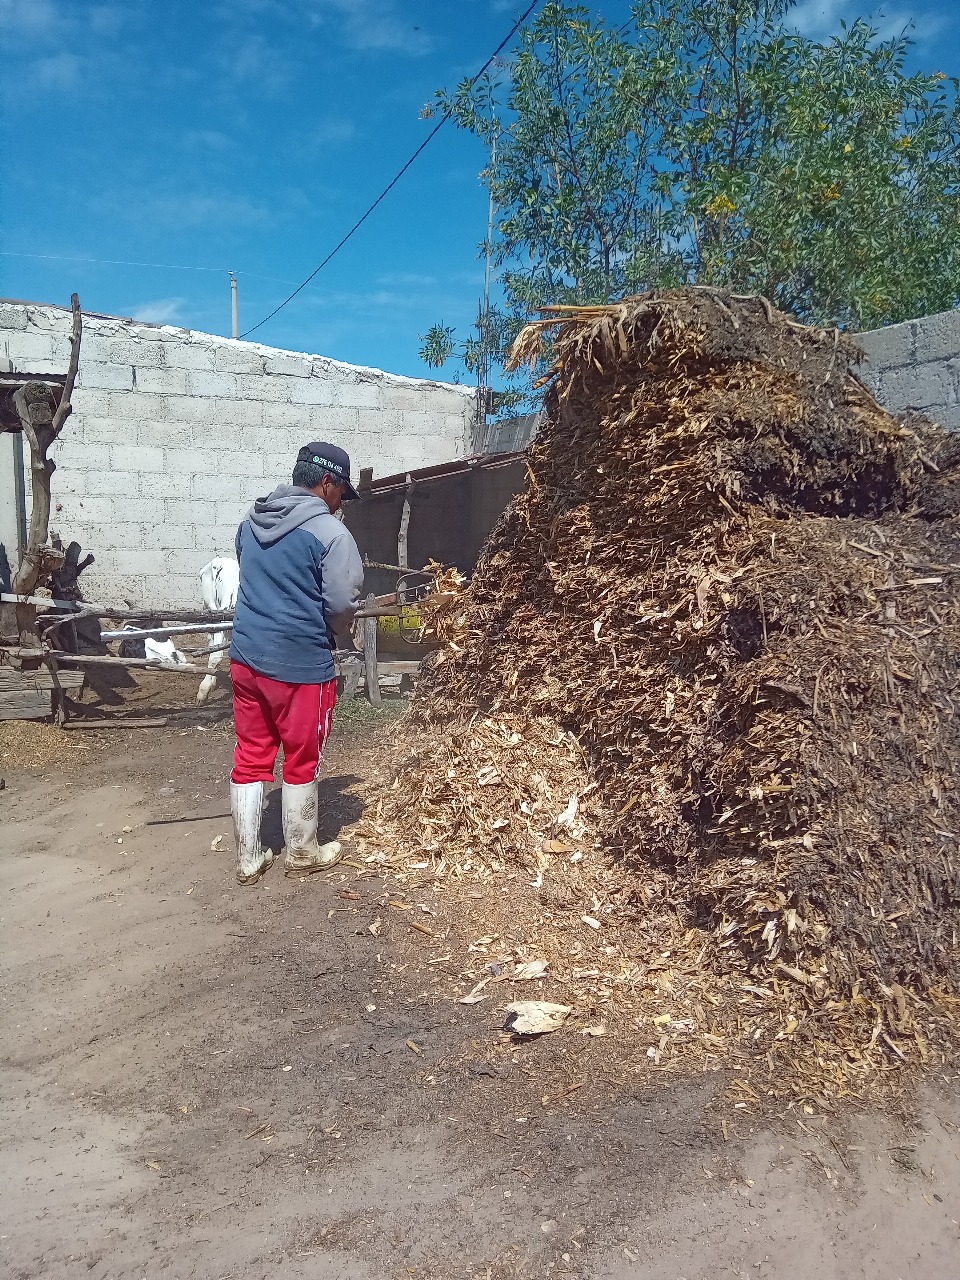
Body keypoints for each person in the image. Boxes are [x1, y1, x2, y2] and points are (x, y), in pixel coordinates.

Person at [228, 442, 364, 885]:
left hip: (246, 659)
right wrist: (339, 630)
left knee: (251, 755)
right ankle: (302, 851)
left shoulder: (250, 523)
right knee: (301, 758)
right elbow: (342, 602)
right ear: (327, 482)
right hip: (301, 665)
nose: (342, 501)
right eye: (342, 490)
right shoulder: (331, 534)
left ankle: (249, 858)